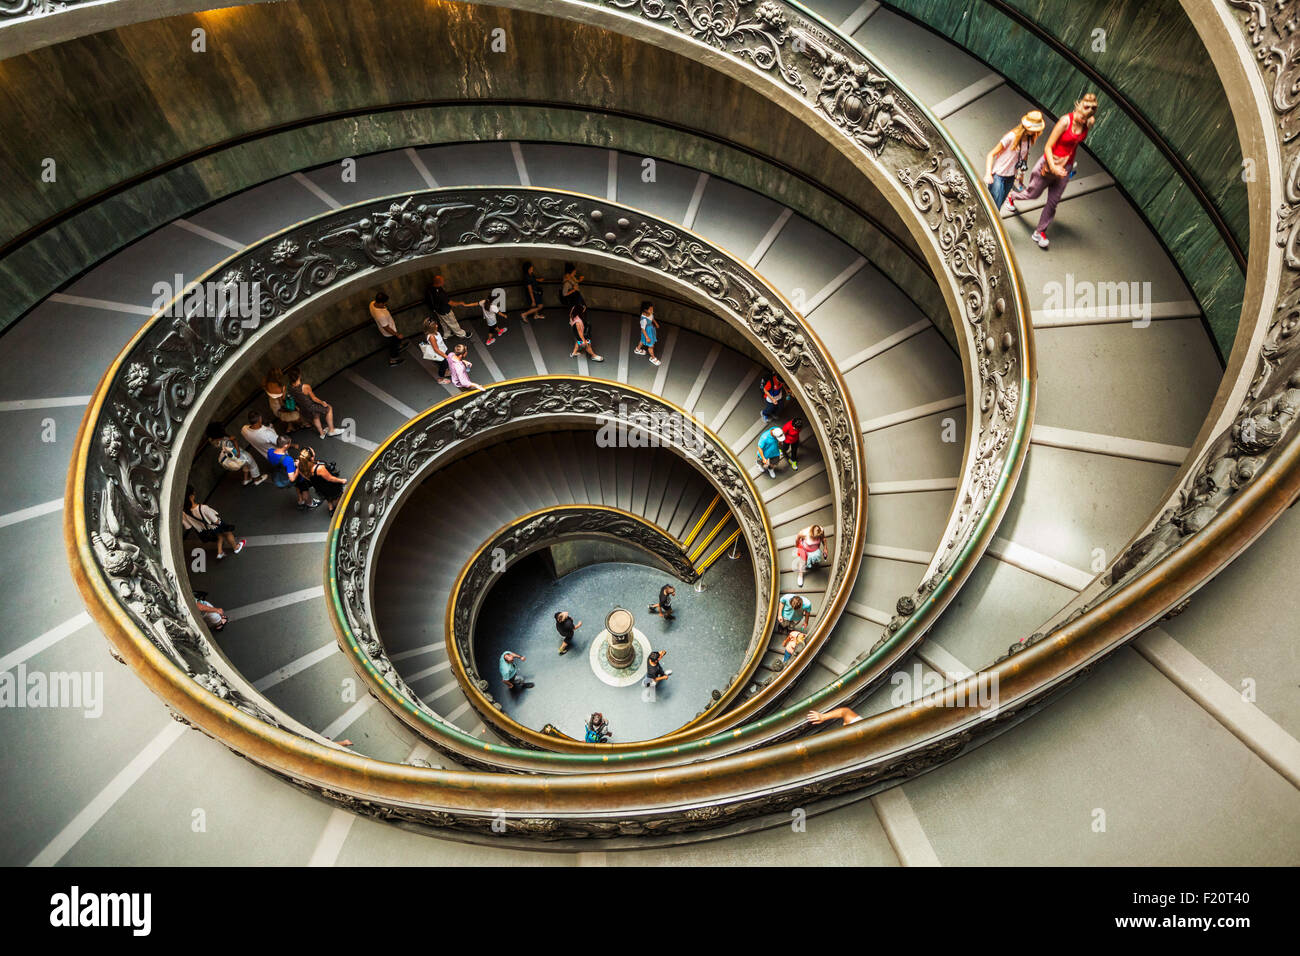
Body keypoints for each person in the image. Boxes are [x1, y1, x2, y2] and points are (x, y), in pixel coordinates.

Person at [1007, 93, 1098, 249]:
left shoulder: (1089, 122)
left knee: (1053, 202)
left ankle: (1040, 231)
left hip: (1065, 167)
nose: (1090, 110)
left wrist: (1067, 164)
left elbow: (1075, 142)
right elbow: (1048, 146)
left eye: (1093, 108)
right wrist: (1054, 167)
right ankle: (1012, 197)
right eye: (1086, 106)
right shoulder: (1065, 121)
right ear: (1079, 104)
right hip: (1049, 164)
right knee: (1032, 194)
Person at [983, 110, 1045, 212]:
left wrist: (1021, 176)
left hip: (1011, 176)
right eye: (1035, 129)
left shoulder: (1030, 139)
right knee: (994, 207)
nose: (1037, 132)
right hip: (998, 175)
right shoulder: (1011, 137)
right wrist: (988, 174)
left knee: (998, 206)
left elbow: (1024, 157)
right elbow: (991, 154)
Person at [181, 486, 244, 559]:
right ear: (191, 496)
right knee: (228, 533)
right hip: (215, 525)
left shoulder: (184, 512)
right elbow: (215, 521)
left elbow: (188, 526)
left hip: (206, 529)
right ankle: (236, 547)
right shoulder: (203, 508)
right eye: (194, 493)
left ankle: (219, 552)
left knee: (219, 536)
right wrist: (221, 524)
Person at [286, 367, 344, 439]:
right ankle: (331, 430)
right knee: (329, 408)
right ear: (299, 375)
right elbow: (314, 398)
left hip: (303, 408)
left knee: (315, 416)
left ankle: (322, 433)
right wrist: (322, 402)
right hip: (311, 406)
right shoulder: (305, 387)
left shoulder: (289, 387)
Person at [369, 290, 404, 366]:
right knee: (393, 345)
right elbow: (386, 328)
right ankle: (393, 360)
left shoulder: (372, 304)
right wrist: (397, 334)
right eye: (385, 303)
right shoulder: (380, 315)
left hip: (390, 330)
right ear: (380, 303)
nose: (386, 304)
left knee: (395, 342)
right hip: (390, 333)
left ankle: (399, 346)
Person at [792, 524, 828, 588]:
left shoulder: (821, 531)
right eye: (813, 538)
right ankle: (800, 575)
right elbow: (797, 539)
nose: (815, 539)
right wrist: (798, 547)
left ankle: (811, 562)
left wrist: (825, 548)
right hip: (804, 549)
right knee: (802, 562)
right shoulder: (804, 533)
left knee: (813, 560)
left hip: (814, 551)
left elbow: (824, 539)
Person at [419, 317, 451, 382]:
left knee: (446, 363)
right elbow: (436, 349)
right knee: (443, 365)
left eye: (436, 324)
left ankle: (446, 371)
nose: (437, 325)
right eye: (434, 326)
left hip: (443, 350)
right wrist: (445, 356)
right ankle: (441, 377)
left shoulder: (435, 331)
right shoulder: (432, 337)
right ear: (430, 328)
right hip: (439, 353)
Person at [635, 300, 660, 366]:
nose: (652, 310)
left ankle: (637, 349)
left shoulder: (650, 313)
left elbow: (652, 318)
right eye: (650, 309)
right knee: (651, 346)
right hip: (647, 332)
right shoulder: (643, 319)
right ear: (645, 310)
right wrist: (647, 337)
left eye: (652, 309)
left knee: (642, 341)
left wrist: (656, 323)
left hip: (650, 329)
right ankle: (653, 358)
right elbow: (643, 329)